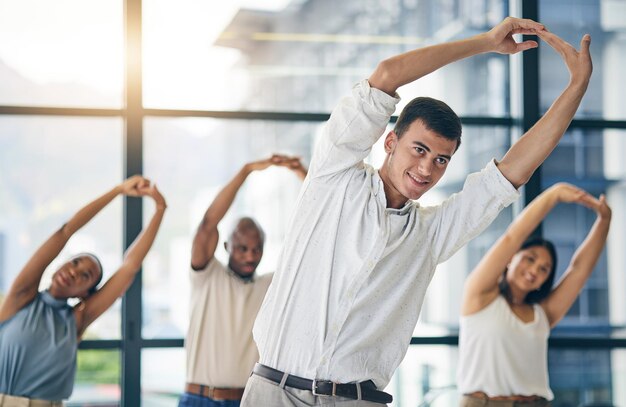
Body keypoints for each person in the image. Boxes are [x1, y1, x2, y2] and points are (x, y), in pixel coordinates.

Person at [242, 18, 593, 407]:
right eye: (419, 149)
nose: (427, 169)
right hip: (273, 392)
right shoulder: (334, 177)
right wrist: (484, 43)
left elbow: (513, 170)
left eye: (441, 159)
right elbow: (388, 74)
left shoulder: (430, 233)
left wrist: (577, 86)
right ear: (390, 141)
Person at [0, 175, 166, 406]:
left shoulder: (76, 319)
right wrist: (117, 191)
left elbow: (130, 266)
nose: (75, 272)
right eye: (76, 262)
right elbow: (66, 231)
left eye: (86, 275)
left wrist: (160, 208)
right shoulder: (21, 297)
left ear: (85, 294)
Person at [458, 183, 611, 406]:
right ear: (511, 258)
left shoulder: (542, 314)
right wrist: (554, 195)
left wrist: (604, 221)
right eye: (530, 259)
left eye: (544, 269)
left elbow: (579, 271)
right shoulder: (479, 296)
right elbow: (512, 237)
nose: (534, 271)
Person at [179, 154, 307, 407]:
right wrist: (246, 171)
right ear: (227, 246)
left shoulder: (270, 285)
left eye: (256, 249)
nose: (250, 255)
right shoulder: (207, 275)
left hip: (249, 401)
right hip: (200, 399)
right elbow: (208, 224)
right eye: (242, 248)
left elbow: (313, 235)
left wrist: (303, 175)